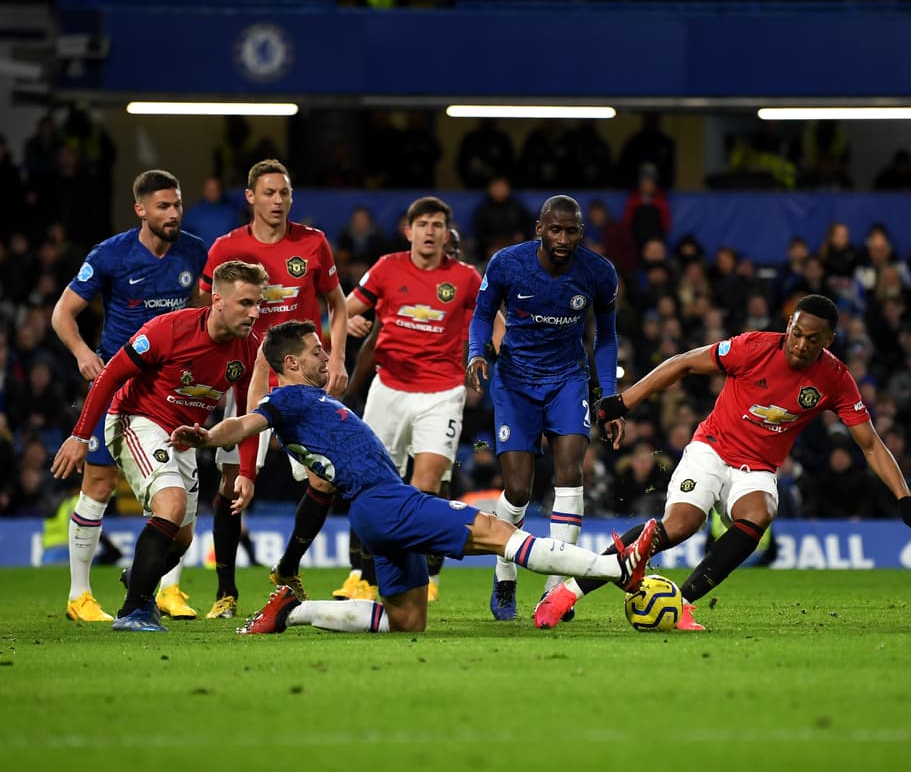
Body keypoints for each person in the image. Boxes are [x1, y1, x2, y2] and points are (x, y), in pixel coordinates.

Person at [169, 320, 657, 635]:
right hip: (387, 502)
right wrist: (208, 437)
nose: (326, 356)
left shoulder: (309, 400)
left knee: (407, 621)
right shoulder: (287, 399)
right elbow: (245, 422)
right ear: (292, 363)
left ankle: (291, 612)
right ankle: (618, 569)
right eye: (317, 351)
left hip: (378, 508)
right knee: (497, 531)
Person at [533, 294, 911, 630]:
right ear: (789, 327)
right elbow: (684, 363)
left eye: (811, 339)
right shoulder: (755, 347)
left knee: (759, 513)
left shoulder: (835, 379)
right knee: (680, 526)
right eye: (795, 333)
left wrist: (905, 498)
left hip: (759, 468)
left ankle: (681, 603)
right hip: (711, 448)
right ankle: (567, 591)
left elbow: (870, 444)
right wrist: (624, 401)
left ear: (829, 341)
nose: (799, 344)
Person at [272, 197, 481, 604]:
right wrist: (349, 322)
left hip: (442, 391)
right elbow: (342, 312)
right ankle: (363, 576)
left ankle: (417, 577)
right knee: (366, 481)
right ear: (409, 231)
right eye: (422, 224)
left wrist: (490, 352)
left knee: (425, 483)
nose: (429, 231)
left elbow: (491, 324)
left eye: (437, 225)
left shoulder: (467, 278)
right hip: (389, 389)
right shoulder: (387, 268)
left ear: (445, 233)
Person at [50, 260, 267, 631]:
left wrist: (246, 471)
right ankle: (133, 611)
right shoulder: (169, 329)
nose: (255, 313)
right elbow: (109, 376)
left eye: (258, 303)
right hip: (136, 419)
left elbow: (247, 415)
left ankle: (139, 577)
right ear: (217, 300)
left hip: (184, 436)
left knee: (181, 539)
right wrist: (81, 435)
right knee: (172, 503)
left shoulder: (249, 349)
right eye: (246, 303)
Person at [51, 169, 208, 623]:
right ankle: (79, 596)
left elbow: (201, 315)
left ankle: (168, 591)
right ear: (140, 210)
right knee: (98, 485)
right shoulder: (111, 255)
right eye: (163, 206)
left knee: (179, 491)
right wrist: (83, 354)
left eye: (177, 205)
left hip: (174, 390)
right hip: (119, 383)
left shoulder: (195, 252)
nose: (173, 214)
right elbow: (64, 312)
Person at [196, 159, 350, 619]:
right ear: (250, 197)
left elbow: (337, 306)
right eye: (269, 193)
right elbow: (207, 308)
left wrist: (337, 357)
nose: (278, 201)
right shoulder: (227, 247)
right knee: (233, 482)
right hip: (246, 374)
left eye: (284, 193)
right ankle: (226, 592)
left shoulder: (313, 243)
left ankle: (287, 566)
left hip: (300, 378)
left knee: (324, 479)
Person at [466, 194, 621, 621]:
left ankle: (556, 588)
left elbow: (605, 338)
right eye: (556, 229)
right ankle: (504, 568)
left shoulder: (598, 273)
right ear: (539, 229)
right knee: (518, 490)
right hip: (515, 382)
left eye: (571, 231)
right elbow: (481, 315)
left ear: (580, 234)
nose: (563, 239)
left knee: (571, 472)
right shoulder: (507, 264)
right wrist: (477, 352)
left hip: (568, 380)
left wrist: (607, 396)